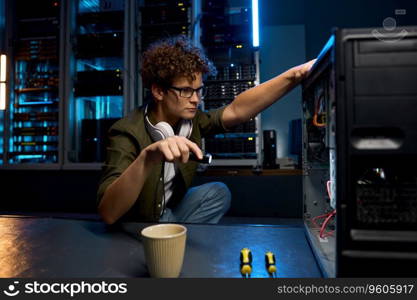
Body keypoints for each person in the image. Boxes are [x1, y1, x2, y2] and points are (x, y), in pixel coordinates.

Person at [97, 35, 315, 225]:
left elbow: (237, 110)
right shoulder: (126, 131)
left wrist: (296, 75)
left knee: (217, 193)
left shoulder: (192, 122)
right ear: (158, 91)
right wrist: (147, 158)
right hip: (136, 221)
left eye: (198, 90)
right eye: (185, 91)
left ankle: (172, 240)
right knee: (163, 221)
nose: (195, 99)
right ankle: (164, 239)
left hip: (167, 211)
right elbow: (108, 213)